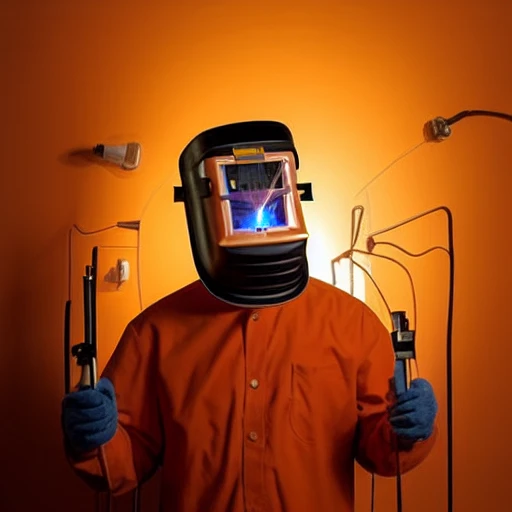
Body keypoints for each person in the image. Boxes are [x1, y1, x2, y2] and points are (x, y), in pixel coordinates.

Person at [62, 121, 438, 512]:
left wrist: (410, 431)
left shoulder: (353, 326)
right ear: (203, 207)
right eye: (241, 204)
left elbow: (384, 454)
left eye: (268, 198)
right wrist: (95, 439)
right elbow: (123, 464)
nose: (257, 215)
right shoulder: (155, 332)